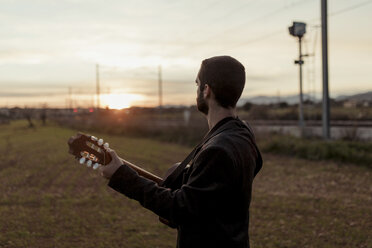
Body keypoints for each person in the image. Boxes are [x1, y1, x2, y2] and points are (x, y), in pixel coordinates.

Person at [100, 55, 263, 248]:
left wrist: (121, 176)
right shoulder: (242, 133)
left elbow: (180, 209)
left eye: (198, 84)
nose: (197, 90)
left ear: (206, 90)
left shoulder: (218, 149)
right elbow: (210, 198)